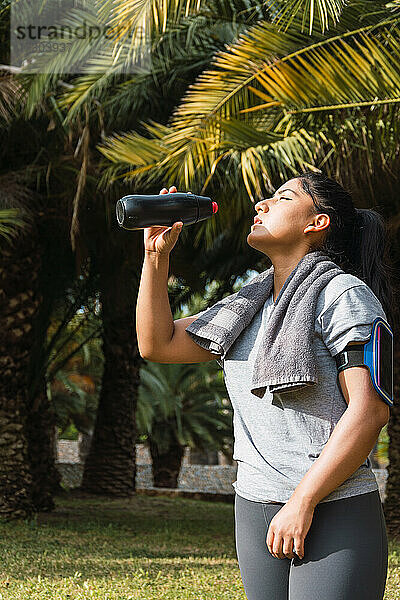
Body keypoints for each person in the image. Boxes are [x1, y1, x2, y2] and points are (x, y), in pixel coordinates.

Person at [135, 172, 395, 600]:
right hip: (254, 505)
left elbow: (369, 411)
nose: (261, 204)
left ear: (317, 223)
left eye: (282, 198)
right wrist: (155, 258)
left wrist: (302, 502)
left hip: (332, 506)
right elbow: (157, 343)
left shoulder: (344, 296)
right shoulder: (245, 305)